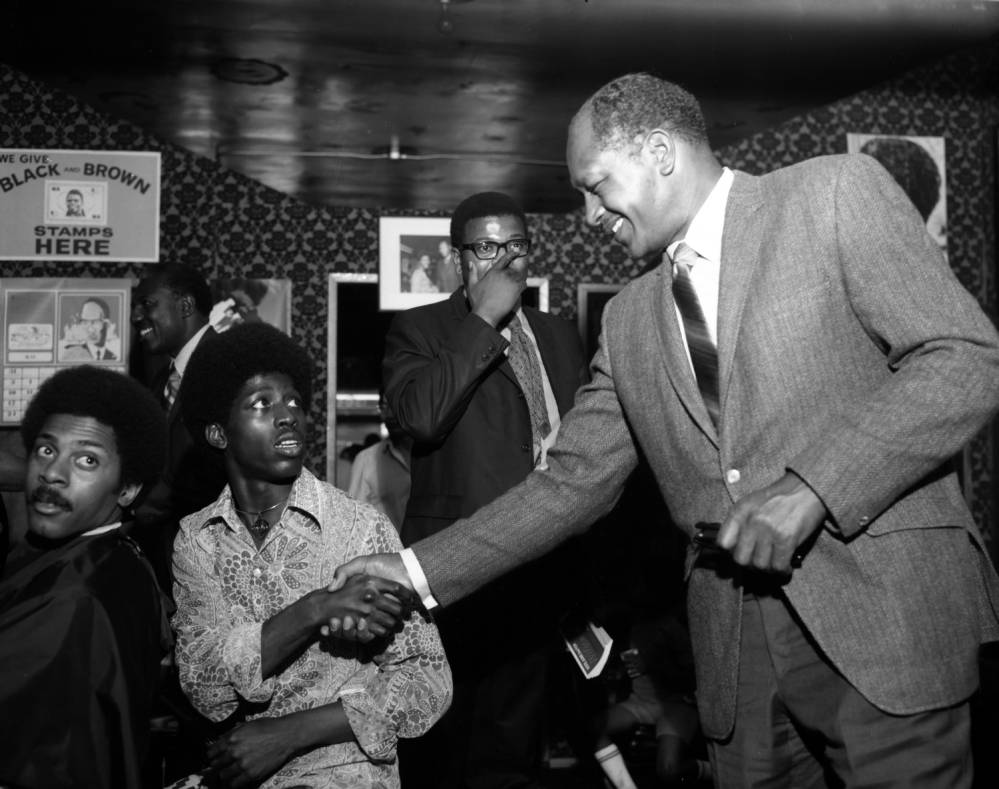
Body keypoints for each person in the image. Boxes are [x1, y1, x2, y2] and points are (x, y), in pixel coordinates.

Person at [332, 73, 999, 787]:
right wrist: (410, 569)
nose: (587, 214)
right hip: (736, 651)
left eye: (594, 185)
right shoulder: (626, 319)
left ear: (657, 151)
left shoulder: (831, 195)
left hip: (884, 622)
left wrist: (812, 491)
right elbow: (567, 484)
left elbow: (965, 358)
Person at [170, 321, 451, 788]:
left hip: (343, 770)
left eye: (294, 401)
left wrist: (290, 733)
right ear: (219, 433)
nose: (288, 415)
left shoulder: (358, 529)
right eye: (262, 403)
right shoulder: (197, 539)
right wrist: (315, 608)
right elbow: (205, 688)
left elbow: (428, 683)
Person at [382, 191, 589, 788]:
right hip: (456, 575)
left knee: (512, 753)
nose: (505, 262)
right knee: (443, 748)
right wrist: (482, 321)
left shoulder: (558, 334)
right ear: (458, 259)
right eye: (487, 248)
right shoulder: (419, 328)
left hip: (540, 571)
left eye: (517, 246)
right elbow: (420, 417)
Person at [0, 365, 170, 788]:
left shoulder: (79, 596)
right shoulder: (110, 553)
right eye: (45, 450)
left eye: (87, 459)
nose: (53, 473)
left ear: (128, 489)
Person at [130, 261, 227, 593]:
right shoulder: (162, 379)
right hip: (168, 560)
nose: (136, 316)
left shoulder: (227, 364)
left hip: (214, 566)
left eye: (147, 304)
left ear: (185, 305)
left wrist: (137, 505)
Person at [347, 397, 413, 531]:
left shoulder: (435, 457)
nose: (389, 414)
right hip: (389, 550)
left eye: (394, 405)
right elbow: (354, 523)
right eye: (383, 407)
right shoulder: (367, 460)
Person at [60, 296, 119, 361]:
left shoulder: (114, 357)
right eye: (85, 322)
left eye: (94, 322)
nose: (90, 329)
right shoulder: (71, 355)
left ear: (107, 324)